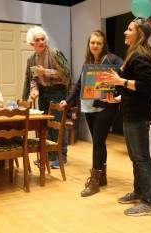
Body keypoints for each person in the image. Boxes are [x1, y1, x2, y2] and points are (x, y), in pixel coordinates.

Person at [102, 18, 151, 216]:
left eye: (129, 29)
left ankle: (149, 202)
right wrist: (118, 98)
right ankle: (139, 191)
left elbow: (146, 86)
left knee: (142, 158)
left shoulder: (142, 56)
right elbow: (134, 90)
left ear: (139, 34)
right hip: (131, 113)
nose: (125, 32)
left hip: (139, 116)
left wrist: (120, 81)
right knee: (136, 158)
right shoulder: (134, 55)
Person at [59, 30, 123, 197]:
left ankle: (94, 182)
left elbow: (123, 78)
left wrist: (116, 96)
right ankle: (102, 177)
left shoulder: (113, 60)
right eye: (92, 43)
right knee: (98, 141)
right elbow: (79, 84)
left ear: (104, 45)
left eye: (99, 43)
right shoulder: (87, 62)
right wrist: (68, 100)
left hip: (106, 106)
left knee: (98, 141)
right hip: (88, 106)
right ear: (89, 44)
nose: (95, 46)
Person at [22, 26, 71, 168]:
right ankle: (49, 155)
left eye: (43, 39)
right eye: (37, 40)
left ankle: (62, 156)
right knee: (45, 125)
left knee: (57, 125)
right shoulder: (31, 59)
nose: (41, 42)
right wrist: (34, 90)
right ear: (32, 44)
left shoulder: (54, 53)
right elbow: (32, 78)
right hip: (43, 93)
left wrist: (46, 72)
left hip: (57, 92)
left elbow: (66, 73)